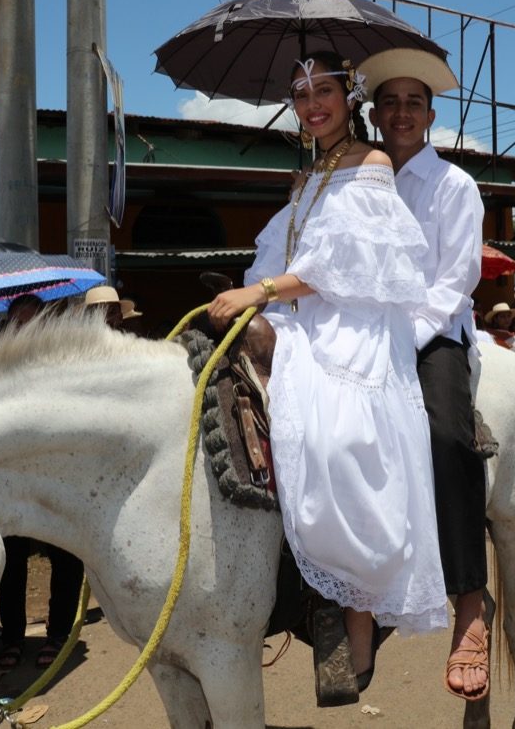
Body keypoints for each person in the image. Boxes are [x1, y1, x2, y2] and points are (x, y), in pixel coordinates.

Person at [207, 51, 447, 701]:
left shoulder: (370, 166)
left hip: (355, 323)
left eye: (325, 90)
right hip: (298, 316)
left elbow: (349, 263)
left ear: (351, 96)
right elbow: (282, 254)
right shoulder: (306, 176)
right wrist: (255, 295)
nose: (313, 103)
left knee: (332, 438)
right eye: (301, 92)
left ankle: (357, 612)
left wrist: (260, 291)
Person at [362, 47, 491, 701]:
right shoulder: (353, 180)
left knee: (445, 438)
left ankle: (469, 602)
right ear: (375, 112)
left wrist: (401, 340)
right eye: (391, 101)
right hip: (362, 335)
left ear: (430, 113)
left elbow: (453, 281)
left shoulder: (454, 187)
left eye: (415, 101)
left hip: (433, 333)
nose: (403, 111)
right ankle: (344, 598)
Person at [0, 295, 86, 671]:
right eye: (19, 322)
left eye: (34, 321)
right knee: (10, 559)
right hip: (13, 478)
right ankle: (12, 635)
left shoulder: (67, 365)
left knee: (66, 556)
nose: (26, 329)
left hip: (59, 476)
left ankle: (59, 633)